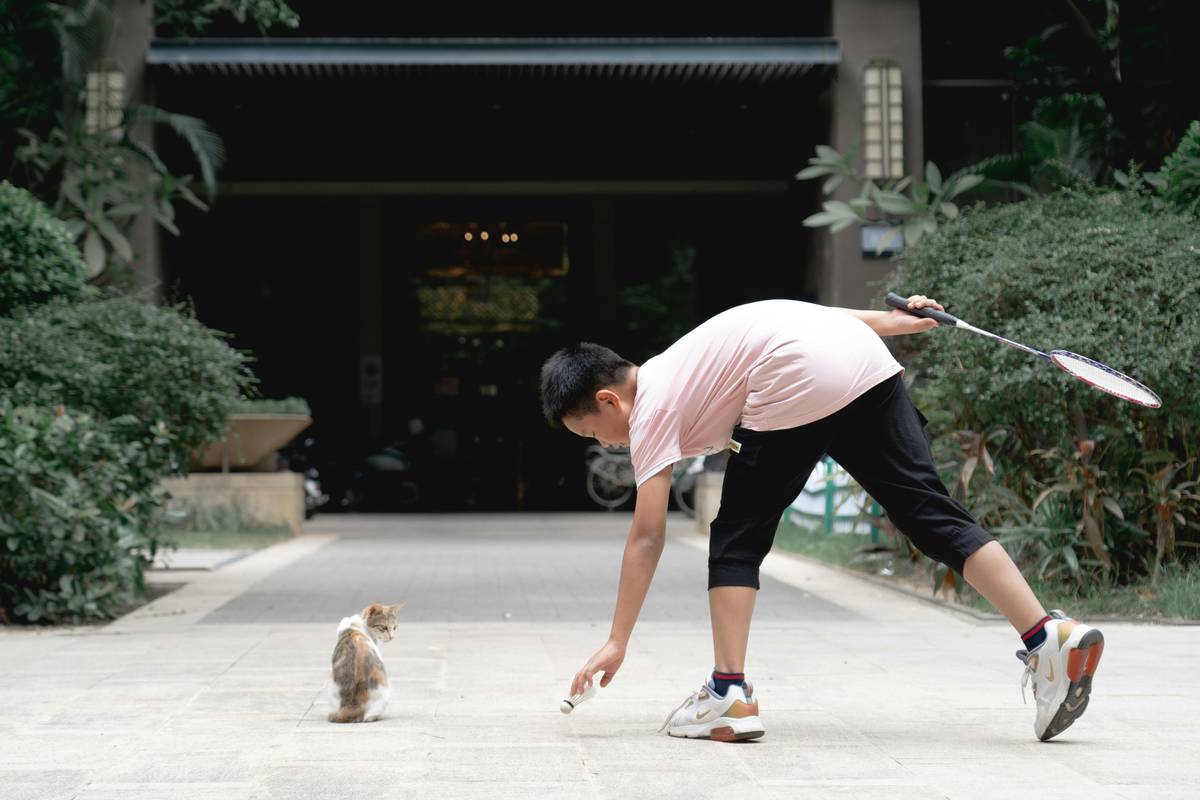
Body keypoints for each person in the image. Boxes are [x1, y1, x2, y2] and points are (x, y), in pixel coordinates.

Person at [540, 295, 1103, 742]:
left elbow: (647, 537)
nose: (606, 444)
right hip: (863, 361)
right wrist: (896, 322)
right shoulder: (685, 358)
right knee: (929, 511)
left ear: (611, 401)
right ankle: (1046, 635)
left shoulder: (652, 409)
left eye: (592, 433)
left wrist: (617, 639)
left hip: (795, 376)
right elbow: (814, 318)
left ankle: (727, 694)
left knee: (737, 535)